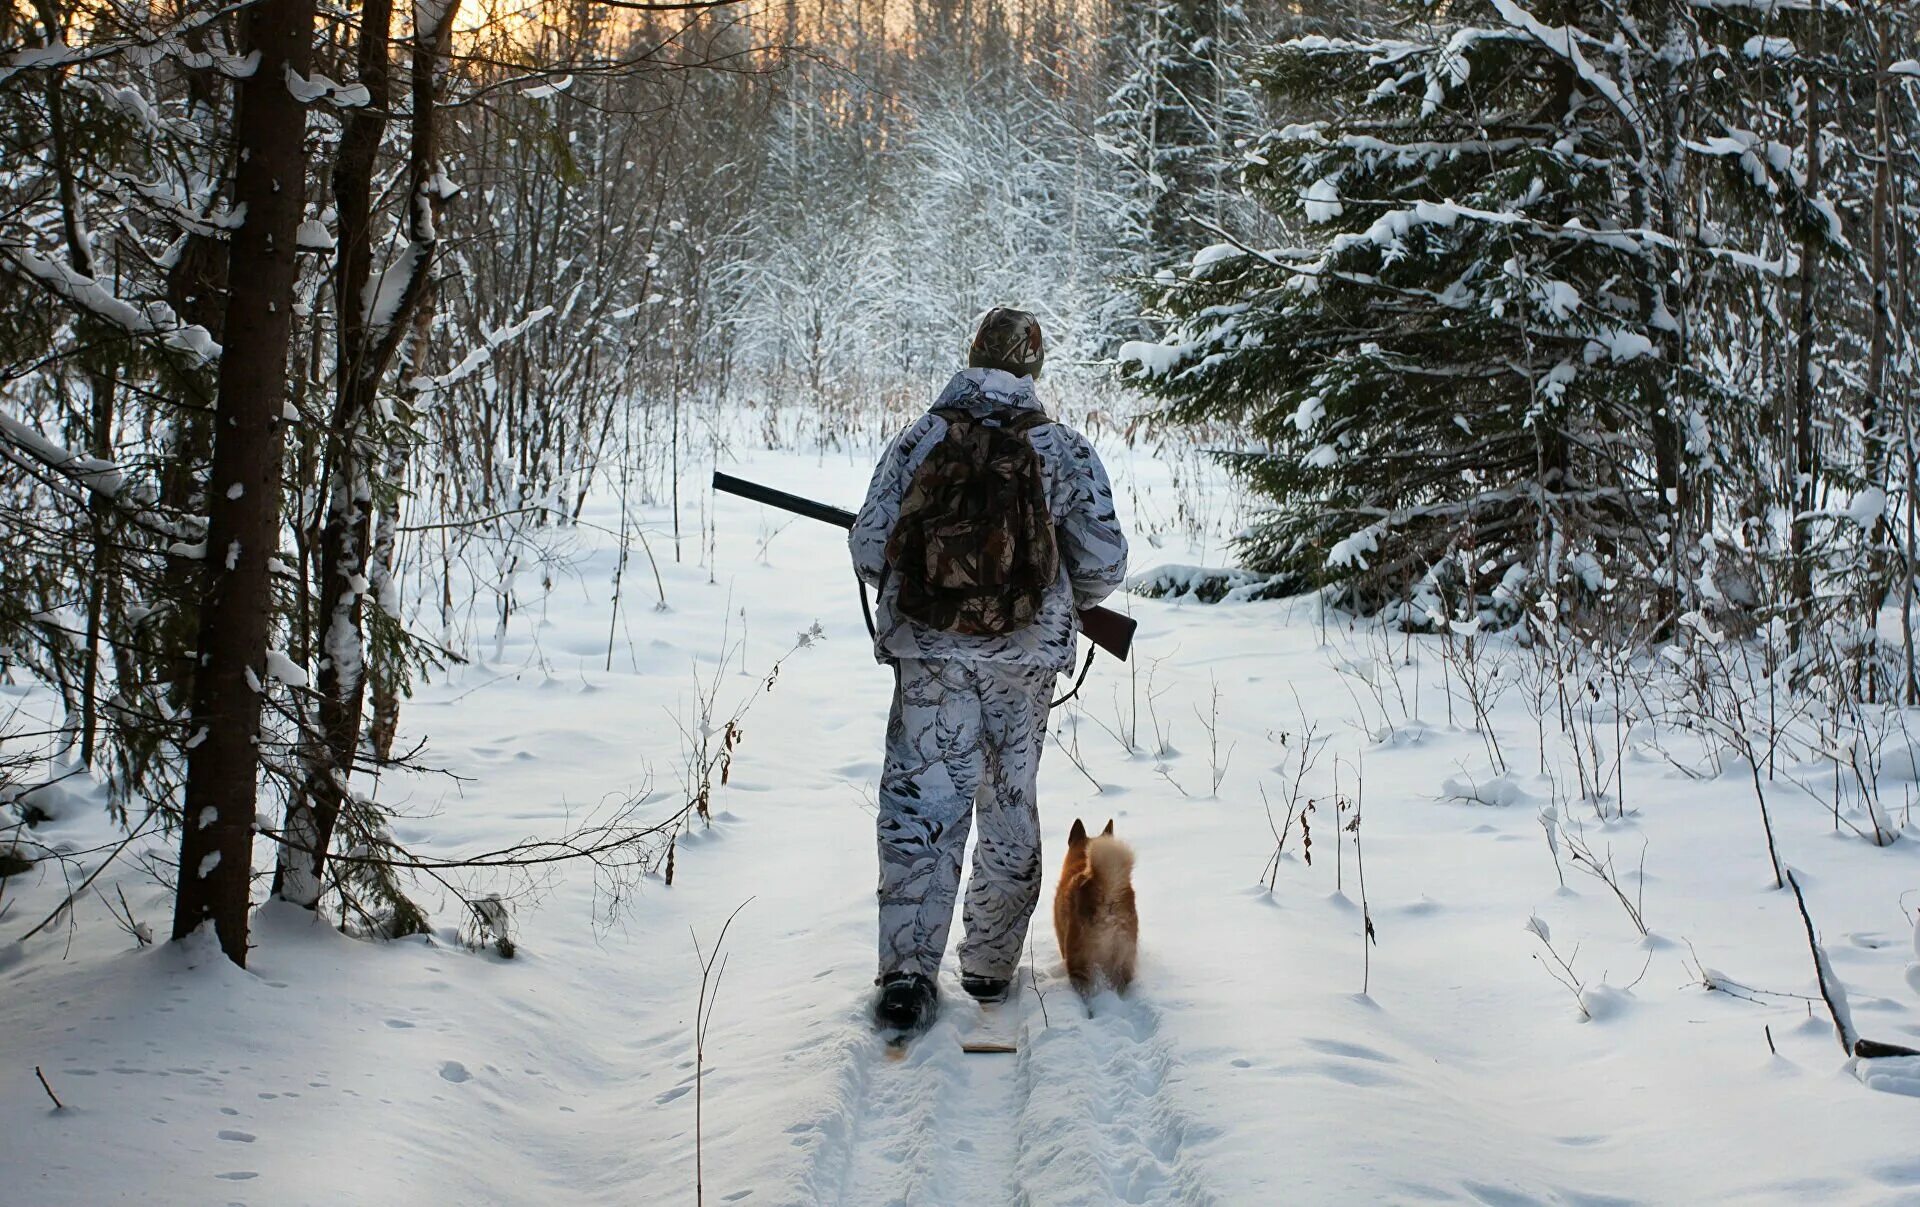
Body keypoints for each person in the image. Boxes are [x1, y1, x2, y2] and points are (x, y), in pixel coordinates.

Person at [849, 307, 1129, 1034]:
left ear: (971, 354)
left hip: (930, 659)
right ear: (1032, 370)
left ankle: (908, 976)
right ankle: (990, 966)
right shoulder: (1062, 449)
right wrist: (1052, 599)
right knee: (1008, 801)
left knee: (919, 807)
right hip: (1023, 663)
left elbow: (869, 545)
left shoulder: (920, 438)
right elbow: (1105, 560)